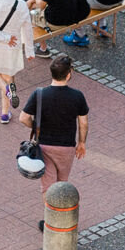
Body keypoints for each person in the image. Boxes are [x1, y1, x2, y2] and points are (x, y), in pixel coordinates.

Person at [21, 56, 89, 192]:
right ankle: (61, 210)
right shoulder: (77, 96)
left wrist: (35, 127)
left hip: (44, 146)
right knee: (62, 184)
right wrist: (81, 142)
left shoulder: (39, 94)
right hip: (66, 147)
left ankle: (49, 212)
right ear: (68, 75)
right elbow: (83, 123)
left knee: (47, 187)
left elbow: (23, 118)